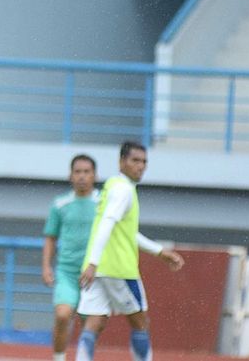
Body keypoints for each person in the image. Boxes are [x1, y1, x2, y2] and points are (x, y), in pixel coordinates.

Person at [75, 141, 185, 361]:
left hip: (98, 269)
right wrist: (94, 262)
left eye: (144, 161)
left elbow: (126, 232)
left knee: (94, 323)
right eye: (135, 160)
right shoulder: (124, 190)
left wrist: (159, 252)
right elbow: (107, 222)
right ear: (121, 162)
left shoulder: (112, 186)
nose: (141, 166)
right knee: (140, 322)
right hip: (118, 269)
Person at [42, 154, 99, 361]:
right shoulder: (60, 204)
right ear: (70, 175)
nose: (82, 176)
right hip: (66, 272)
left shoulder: (103, 203)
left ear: (95, 175)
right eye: (78, 172)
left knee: (88, 326)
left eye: (86, 172)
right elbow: (50, 237)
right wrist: (46, 267)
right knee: (63, 315)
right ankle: (59, 358)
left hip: (94, 275)